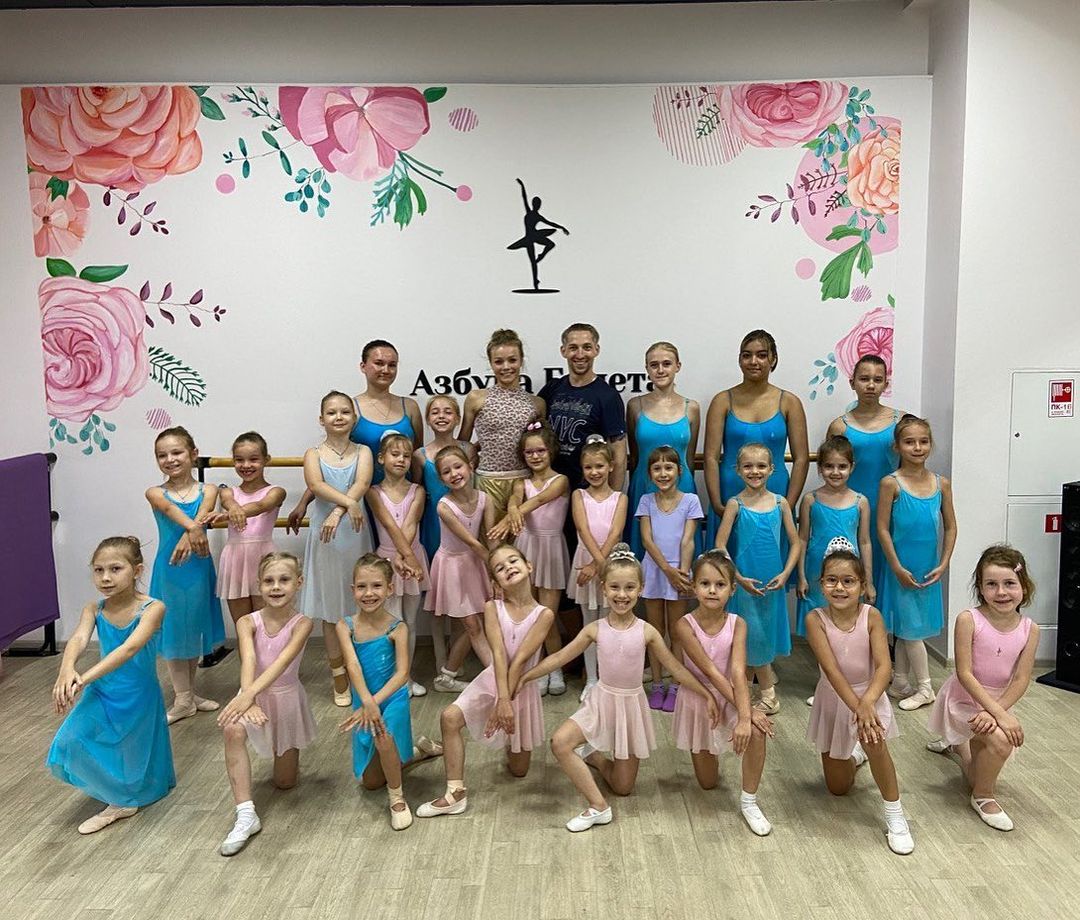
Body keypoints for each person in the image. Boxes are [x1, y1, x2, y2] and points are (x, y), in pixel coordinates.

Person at [518, 544, 718, 833]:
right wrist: (526, 676)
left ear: (640, 589)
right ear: (603, 588)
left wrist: (706, 693)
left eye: (629, 588)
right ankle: (598, 806)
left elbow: (676, 669)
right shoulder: (595, 629)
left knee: (623, 787)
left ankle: (594, 757)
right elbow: (559, 657)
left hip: (630, 708)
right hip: (601, 702)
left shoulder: (647, 631)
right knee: (560, 743)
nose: (621, 595)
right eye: (614, 587)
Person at [47, 536, 174, 835]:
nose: (105, 577)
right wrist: (66, 669)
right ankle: (119, 795)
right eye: (98, 570)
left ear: (137, 571)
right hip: (103, 690)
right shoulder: (94, 608)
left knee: (131, 749)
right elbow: (79, 638)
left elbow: (129, 649)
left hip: (138, 694)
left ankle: (121, 802)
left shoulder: (153, 608)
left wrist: (82, 678)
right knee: (68, 741)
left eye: (115, 569)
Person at [417, 544, 554, 819]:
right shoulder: (492, 608)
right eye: (500, 568)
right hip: (493, 681)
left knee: (519, 770)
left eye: (513, 561)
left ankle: (436, 748)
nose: (508, 568)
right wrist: (500, 700)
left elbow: (520, 661)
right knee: (449, 718)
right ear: (495, 582)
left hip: (520, 688)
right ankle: (455, 793)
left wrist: (506, 702)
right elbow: (499, 655)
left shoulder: (544, 614)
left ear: (529, 566)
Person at [804, 540, 914, 855]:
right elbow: (831, 671)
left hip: (870, 694)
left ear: (862, 586)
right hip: (835, 697)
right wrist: (857, 707)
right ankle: (854, 755)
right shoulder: (815, 619)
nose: (839, 587)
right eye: (831, 580)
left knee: (875, 743)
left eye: (848, 581)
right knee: (838, 788)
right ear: (821, 584)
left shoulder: (872, 616)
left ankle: (895, 815)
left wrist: (866, 704)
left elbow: (884, 667)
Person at [926, 545, 1039, 831]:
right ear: (980, 588)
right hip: (964, 699)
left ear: (1024, 587)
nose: (1001, 592)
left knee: (983, 760)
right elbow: (964, 673)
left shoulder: (1030, 629)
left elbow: (1020, 679)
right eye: (991, 584)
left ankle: (959, 746)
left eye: (1009, 583)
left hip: (996, 703)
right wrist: (998, 715)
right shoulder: (969, 620)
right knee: (1001, 741)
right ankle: (983, 796)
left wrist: (996, 712)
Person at [217, 552, 315, 856]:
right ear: (259, 585)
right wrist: (248, 699)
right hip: (252, 691)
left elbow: (281, 663)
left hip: (285, 697)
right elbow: (249, 658)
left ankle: (283, 760)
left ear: (298, 582)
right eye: (269, 581)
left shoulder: (303, 624)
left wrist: (248, 696)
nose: (276, 587)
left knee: (285, 782)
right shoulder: (247, 621)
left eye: (284, 580)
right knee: (232, 729)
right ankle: (246, 814)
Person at [671, 549, 774, 836]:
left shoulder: (738, 624)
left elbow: (737, 673)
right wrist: (746, 711)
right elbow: (711, 672)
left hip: (729, 694)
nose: (712, 590)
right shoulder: (684, 625)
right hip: (699, 699)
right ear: (694, 587)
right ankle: (712, 749)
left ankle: (749, 802)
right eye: (705, 584)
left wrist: (746, 716)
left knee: (757, 731)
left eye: (720, 584)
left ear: (732, 589)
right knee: (708, 783)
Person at [286, 339, 422, 529]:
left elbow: (417, 458)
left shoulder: (410, 407)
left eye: (392, 365)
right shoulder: (350, 409)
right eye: (379, 363)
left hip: (400, 501)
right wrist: (304, 502)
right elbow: (335, 458)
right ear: (363, 366)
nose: (386, 370)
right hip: (358, 500)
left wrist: (419, 498)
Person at [298, 391, 374, 707]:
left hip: (354, 533)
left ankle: (363, 671)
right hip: (326, 538)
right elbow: (316, 486)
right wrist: (347, 505)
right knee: (331, 610)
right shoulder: (313, 454)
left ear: (354, 418)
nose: (339, 417)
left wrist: (340, 511)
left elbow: (361, 484)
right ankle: (339, 675)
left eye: (345, 411)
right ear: (322, 419)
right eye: (332, 412)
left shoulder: (364, 451)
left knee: (362, 602)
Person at [877, 415, 957, 711]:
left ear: (930, 444)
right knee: (905, 626)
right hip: (900, 568)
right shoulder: (891, 483)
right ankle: (913, 684)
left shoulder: (941, 484)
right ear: (897, 446)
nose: (917, 447)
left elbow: (951, 526)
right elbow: (882, 528)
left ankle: (913, 684)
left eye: (923, 441)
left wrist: (943, 563)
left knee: (911, 629)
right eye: (909, 442)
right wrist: (896, 567)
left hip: (928, 569)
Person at [703, 329, 809, 549]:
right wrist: (716, 503)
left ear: (773, 359)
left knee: (772, 557)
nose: (754, 361)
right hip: (729, 491)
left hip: (776, 492)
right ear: (739, 360)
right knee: (727, 561)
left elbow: (801, 459)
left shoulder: (789, 402)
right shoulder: (722, 401)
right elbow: (710, 458)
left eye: (761, 355)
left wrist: (788, 504)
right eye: (747, 355)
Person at [714, 443, 800, 715]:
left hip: (772, 584)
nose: (755, 471)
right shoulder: (735, 504)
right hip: (745, 584)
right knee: (751, 638)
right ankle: (766, 695)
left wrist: (785, 573)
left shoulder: (781, 503)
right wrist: (738, 578)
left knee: (761, 637)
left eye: (761, 466)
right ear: (738, 470)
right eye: (748, 466)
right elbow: (720, 545)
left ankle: (753, 693)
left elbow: (796, 543)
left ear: (772, 469)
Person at [145, 426, 222, 723]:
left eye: (176, 452)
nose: (170, 459)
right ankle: (182, 698)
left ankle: (189, 694)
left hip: (199, 568)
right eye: (162, 455)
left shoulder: (209, 490)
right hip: (171, 570)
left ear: (193, 454)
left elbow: (203, 512)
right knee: (175, 631)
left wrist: (192, 531)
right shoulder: (155, 493)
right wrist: (192, 530)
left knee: (192, 629)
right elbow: (172, 511)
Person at [336, 555, 417, 831]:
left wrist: (375, 703)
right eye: (361, 586)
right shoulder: (345, 625)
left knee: (384, 737)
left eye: (376, 586)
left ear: (390, 589)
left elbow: (402, 674)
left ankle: (397, 799)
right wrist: (367, 703)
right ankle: (416, 753)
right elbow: (352, 665)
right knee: (370, 783)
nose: (368, 593)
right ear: (353, 590)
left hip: (392, 698)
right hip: (364, 699)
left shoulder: (398, 628)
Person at [490, 421, 570, 695]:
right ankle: (533, 669)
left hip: (551, 548)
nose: (535, 456)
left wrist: (510, 517)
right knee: (528, 615)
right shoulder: (521, 482)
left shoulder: (560, 480)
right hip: (526, 547)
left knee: (548, 616)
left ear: (551, 451)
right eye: (529, 452)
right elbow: (515, 498)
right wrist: (512, 509)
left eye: (540, 451)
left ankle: (554, 670)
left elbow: (538, 501)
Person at [413, 394, 475, 688]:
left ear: (458, 418)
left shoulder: (468, 449)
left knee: (461, 594)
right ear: (427, 419)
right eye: (435, 412)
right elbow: (417, 488)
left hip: (464, 524)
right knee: (438, 597)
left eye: (448, 411)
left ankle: (455, 659)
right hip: (433, 526)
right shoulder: (420, 454)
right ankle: (441, 658)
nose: (441, 416)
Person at [826, 354, 901, 593]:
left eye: (877, 380)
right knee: (851, 567)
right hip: (851, 507)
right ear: (852, 382)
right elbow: (831, 468)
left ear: (886, 384)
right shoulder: (840, 426)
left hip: (891, 507)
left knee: (887, 567)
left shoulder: (900, 422)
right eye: (864, 379)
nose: (870, 385)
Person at [636, 446, 703, 712]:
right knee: (655, 631)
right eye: (657, 468)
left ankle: (675, 685)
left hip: (679, 571)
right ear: (649, 473)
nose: (663, 473)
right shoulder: (646, 501)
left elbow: (688, 540)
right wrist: (667, 571)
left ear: (679, 471)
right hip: (655, 570)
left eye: (668, 468)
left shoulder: (691, 500)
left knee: (677, 633)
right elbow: (647, 540)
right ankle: (656, 684)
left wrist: (682, 573)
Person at [425, 444, 496, 688]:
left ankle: (447, 675)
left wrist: (498, 564)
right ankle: (499, 677)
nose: (454, 474)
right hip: (452, 567)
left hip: (474, 564)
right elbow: (472, 542)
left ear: (470, 466)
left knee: (474, 625)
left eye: (458, 467)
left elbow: (491, 538)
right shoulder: (444, 506)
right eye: (447, 472)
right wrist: (496, 569)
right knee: (472, 625)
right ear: (441, 479)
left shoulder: (485, 499)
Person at [459, 328, 545, 522]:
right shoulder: (476, 398)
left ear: (521, 361)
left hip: (525, 481)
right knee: (490, 535)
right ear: (491, 363)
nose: (506, 367)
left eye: (512, 360)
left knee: (522, 537)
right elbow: (463, 443)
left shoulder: (537, 403)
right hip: (488, 481)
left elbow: (541, 444)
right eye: (499, 362)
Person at [367, 431, 430, 697]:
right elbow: (390, 525)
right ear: (381, 458)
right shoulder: (373, 492)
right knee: (391, 623)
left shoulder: (418, 490)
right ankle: (390, 678)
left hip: (411, 558)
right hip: (388, 562)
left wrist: (407, 559)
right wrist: (400, 559)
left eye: (406, 456)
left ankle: (406, 676)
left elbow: (410, 524)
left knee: (410, 623)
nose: (401, 459)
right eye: (395, 454)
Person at [625, 341, 701, 558]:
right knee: (644, 554)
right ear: (647, 369)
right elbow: (635, 456)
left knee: (681, 551)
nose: (660, 370)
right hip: (643, 486)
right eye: (654, 365)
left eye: (666, 364)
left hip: (682, 486)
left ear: (678, 366)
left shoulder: (691, 408)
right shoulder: (635, 406)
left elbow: (689, 458)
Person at [567, 436, 628, 702]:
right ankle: (592, 679)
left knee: (612, 622)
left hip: (612, 566)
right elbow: (583, 529)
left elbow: (615, 532)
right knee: (589, 624)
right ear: (582, 469)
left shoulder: (620, 498)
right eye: (588, 467)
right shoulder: (578, 495)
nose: (594, 472)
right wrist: (594, 565)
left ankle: (609, 678)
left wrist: (601, 566)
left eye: (600, 466)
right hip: (586, 563)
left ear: (611, 466)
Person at [796, 435, 874, 637]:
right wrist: (801, 576)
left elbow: (865, 542)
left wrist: (869, 581)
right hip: (816, 572)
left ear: (852, 467)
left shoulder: (861, 502)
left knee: (846, 623)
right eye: (829, 466)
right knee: (818, 625)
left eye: (842, 466)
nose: (836, 472)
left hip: (850, 573)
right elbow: (802, 539)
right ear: (820, 468)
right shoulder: (810, 500)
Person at [538, 323, 626, 492]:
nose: (580, 354)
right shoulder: (552, 389)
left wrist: (612, 499)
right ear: (563, 351)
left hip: (588, 491)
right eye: (573, 348)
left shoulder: (608, 396)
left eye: (587, 347)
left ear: (596, 350)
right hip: (550, 490)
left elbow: (618, 455)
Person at [213, 431, 285, 626]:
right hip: (235, 558)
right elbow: (228, 501)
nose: (246, 465)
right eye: (239, 460)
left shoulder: (276, 491)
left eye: (253, 459)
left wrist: (234, 512)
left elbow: (262, 505)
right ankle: (245, 648)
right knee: (242, 624)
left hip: (263, 557)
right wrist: (232, 508)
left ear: (266, 460)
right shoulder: (229, 492)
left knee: (265, 623)